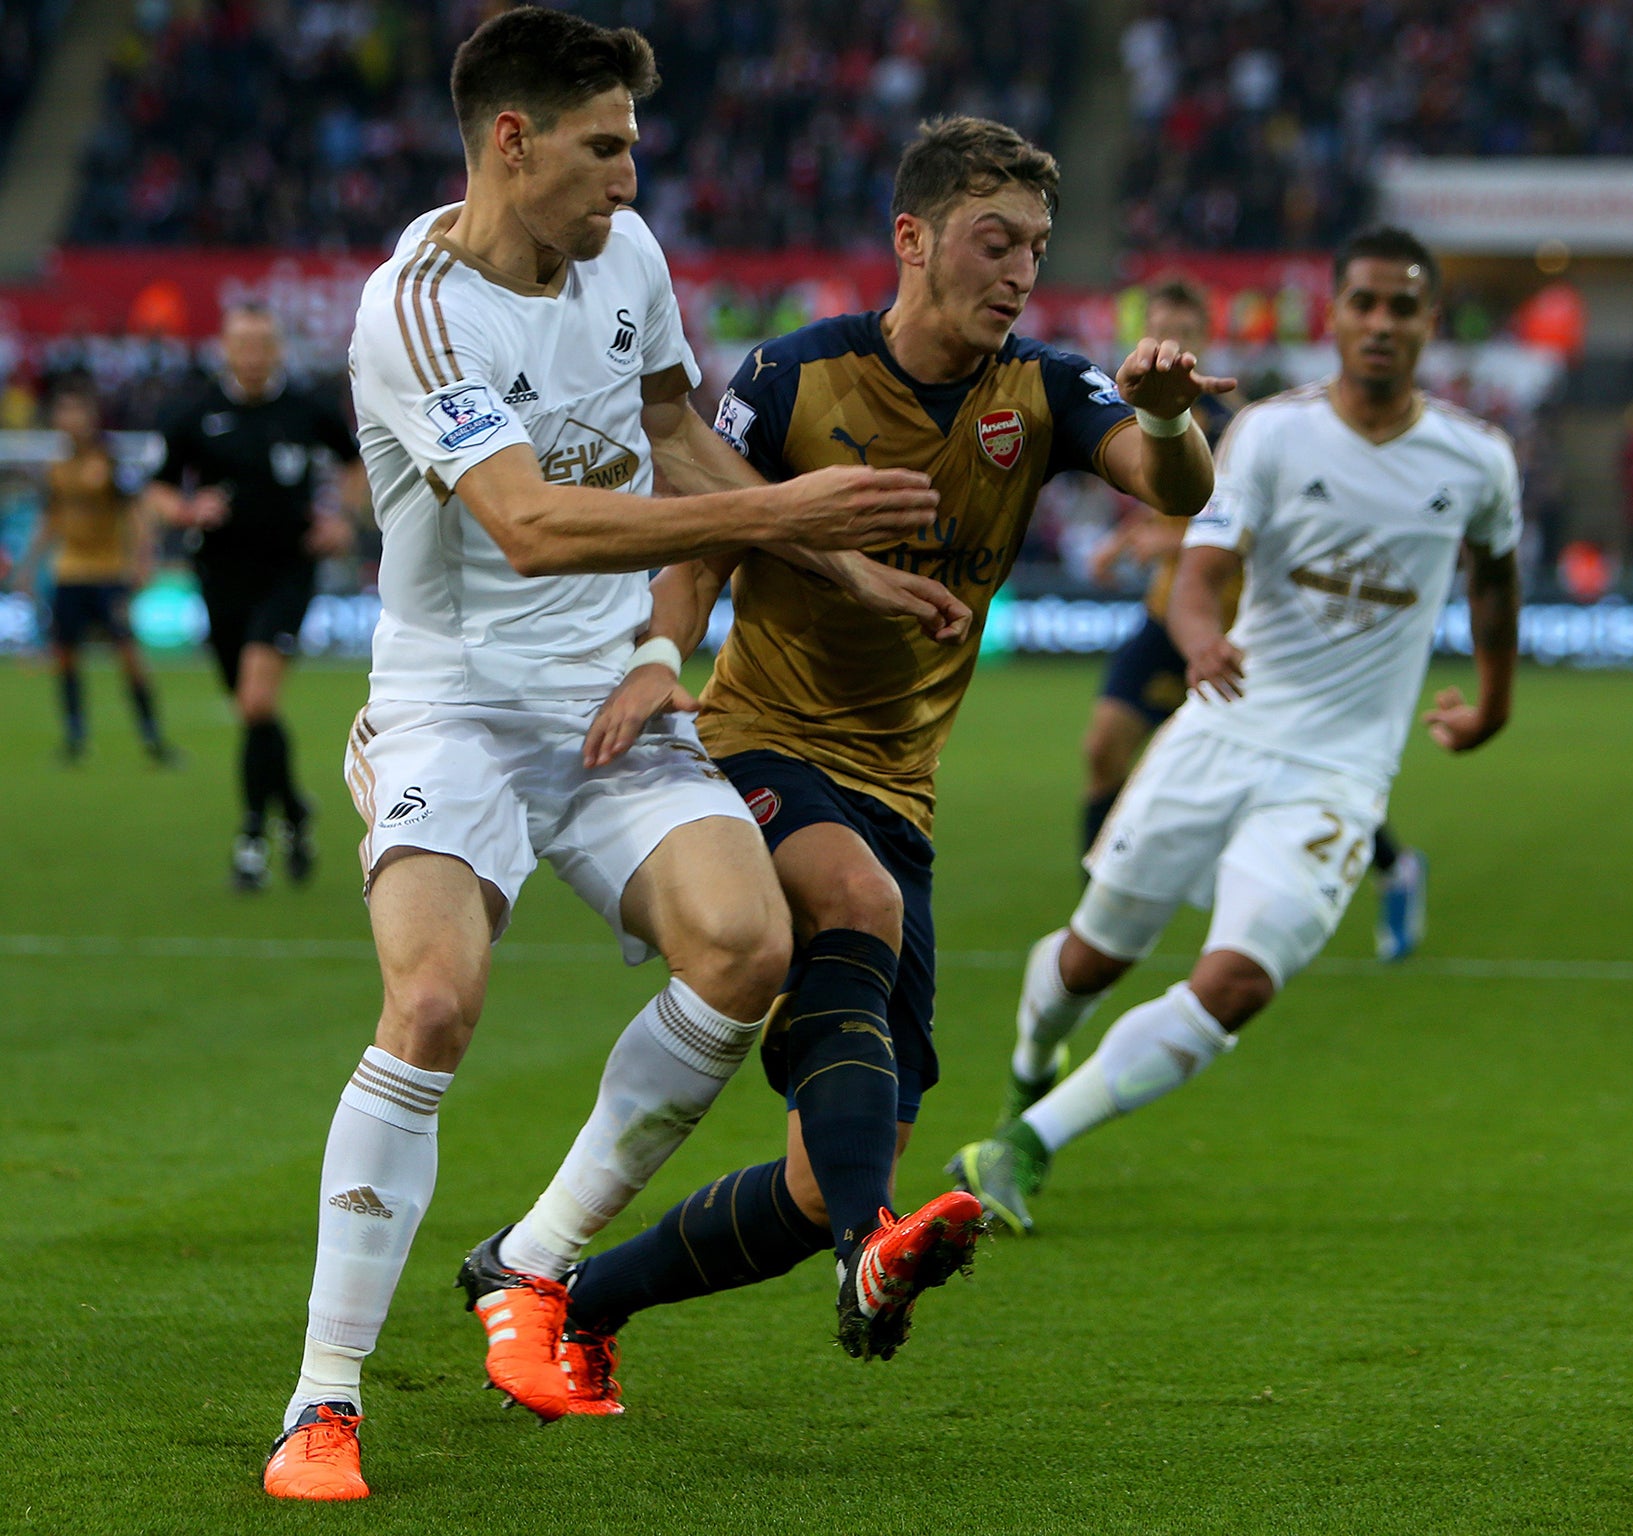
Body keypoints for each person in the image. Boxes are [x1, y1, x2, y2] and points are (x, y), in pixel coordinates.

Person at [261, 6, 950, 1501]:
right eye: (606, 146)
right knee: (434, 1002)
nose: (632, 179)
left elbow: (669, 428)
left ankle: (533, 1262)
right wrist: (787, 518)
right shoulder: (418, 307)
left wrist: (836, 565)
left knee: (745, 941)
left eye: (633, 145)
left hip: (606, 701)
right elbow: (532, 521)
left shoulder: (623, 262)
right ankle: (324, 1403)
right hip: (456, 704)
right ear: (513, 140)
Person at [473, 113, 1226, 1414]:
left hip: (901, 792)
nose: (1019, 273)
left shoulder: (1042, 389)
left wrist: (1165, 419)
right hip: (759, 745)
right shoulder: (798, 375)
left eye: (1037, 250)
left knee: (827, 1163)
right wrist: (663, 649)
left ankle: (573, 1300)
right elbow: (707, 530)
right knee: (856, 915)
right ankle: (867, 1251)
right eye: (996, 243)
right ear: (914, 238)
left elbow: (1179, 491)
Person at [949, 226, 1522, 1236]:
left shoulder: (1475, 462)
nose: (1381, 322)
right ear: (1334, 317)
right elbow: (1199, 576)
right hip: (1218, 731)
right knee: (1091, 960)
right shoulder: (1266, 434)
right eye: (1364, 303)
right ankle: (1029, 1071)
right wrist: (1201, 640)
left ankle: (1024, 1144)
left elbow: (1494, 582)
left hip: (1338, 772)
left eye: (1402, 306)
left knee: (1239, 978)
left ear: (1429, 323)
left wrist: (1492, 704)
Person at [1081, 282, 1429, 983]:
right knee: (1102, 749)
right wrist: (1130, 545)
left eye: (1185, 324)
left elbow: (1251, 531)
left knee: (1293, 764)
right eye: (1162, 324)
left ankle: (1394, 866)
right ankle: (1097, 909)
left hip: (1240, 625)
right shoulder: (1144, 410)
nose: (1173, 335)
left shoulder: (1244, 425)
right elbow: (1164, 498)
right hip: (1165, 615)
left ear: (1205, 332)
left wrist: (1167, 547)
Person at [147, 307, 364, 889]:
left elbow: (355, 466)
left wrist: (340, 519)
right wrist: (189, 511)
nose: (252, 354)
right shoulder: (195, 413)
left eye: (262, 343)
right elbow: (159, 489)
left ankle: (250, 841)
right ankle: (293, 810)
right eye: (241, 344)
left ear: (278, 350)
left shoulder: (307, 409)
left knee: (256, 702)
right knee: (251, 708)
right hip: (220, 574)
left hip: (288, 571)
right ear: (223, 348)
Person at [12, 379, 175, 764]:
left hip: (108, 573)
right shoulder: (57, 467)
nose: (69, 418)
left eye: (76, 410)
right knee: (65, 656)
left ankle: (153, 739)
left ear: (89, 416)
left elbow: (134, 512)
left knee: (129, 655)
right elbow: (50, 519)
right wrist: (29, 566)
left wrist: (144, 558)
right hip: (69, 572)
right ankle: (75, 738)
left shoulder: (109, 460)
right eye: (63, 410)